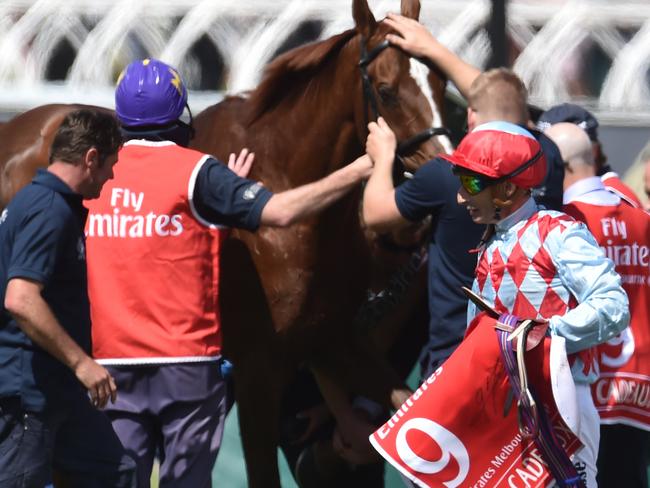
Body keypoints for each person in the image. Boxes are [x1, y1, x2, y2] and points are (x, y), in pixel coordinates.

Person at [83, 58, 373, 488]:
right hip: (184, 366)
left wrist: (220, 204)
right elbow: (284, 210)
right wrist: (363, 166)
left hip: (110, 365)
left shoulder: (98, 177)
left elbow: (155, 239)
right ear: (179, 112)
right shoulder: (197, 171)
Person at [366, 118, 629, 487]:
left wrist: (542, 335)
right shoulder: (490, 244)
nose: (460, 196)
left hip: (561, 403)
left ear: (507, 188)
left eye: (472, 183)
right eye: (460, 181)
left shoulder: (558, 231)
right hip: (509, 412)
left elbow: (613, 305)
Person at [0, 110, 136, 487]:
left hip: (58, 390)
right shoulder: (48, 210)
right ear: (91, 158)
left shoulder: (52, 205)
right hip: (28, 392)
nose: (111, 177)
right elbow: (21, 298)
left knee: (115, 473)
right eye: (111, 164)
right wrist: (82, 364)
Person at [545, 122, 650, 488]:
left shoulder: (565, 223)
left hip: (585, 392)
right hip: (637, 394)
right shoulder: (641, 218)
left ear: (562, 166)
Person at [383, 12, 565, 211]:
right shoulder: (547, 152)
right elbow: (500, 98)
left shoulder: (447, 172)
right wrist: (433, 49)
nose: (463, 196)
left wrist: (381, 158)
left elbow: (375, 214)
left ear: (471, 116)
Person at [537, 102, 643, 208]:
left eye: (554, 149)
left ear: (592, 150)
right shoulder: (543, 192)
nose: (549, 157)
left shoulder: (617, 199)